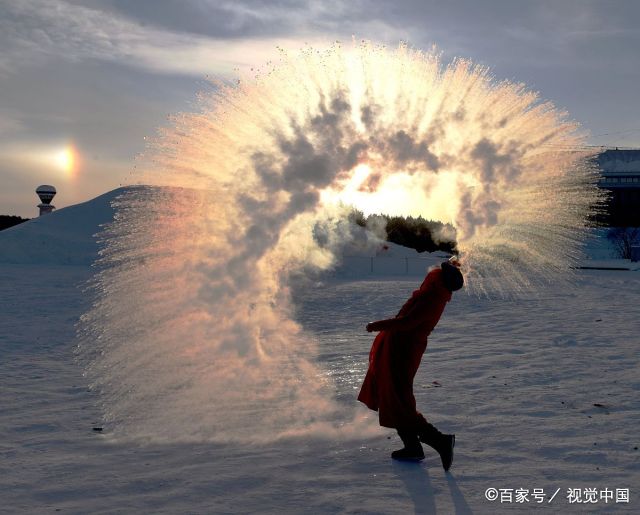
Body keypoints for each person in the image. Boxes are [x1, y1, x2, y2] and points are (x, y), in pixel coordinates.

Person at [357, 259, 464, 469]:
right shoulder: (433, 294)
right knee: (396, 399)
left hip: (403, 352)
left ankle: (440, 441)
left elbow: (408, 322)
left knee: (400, 402)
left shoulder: (433, 297)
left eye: (440, 271)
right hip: (400, 348)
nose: (434, 272)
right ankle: (412, 447)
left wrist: (377, 325)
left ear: (442, 278)